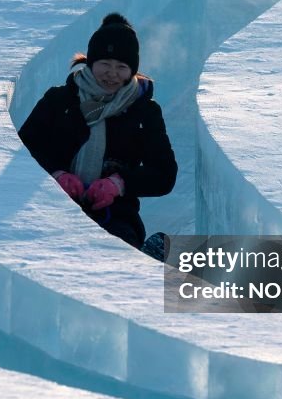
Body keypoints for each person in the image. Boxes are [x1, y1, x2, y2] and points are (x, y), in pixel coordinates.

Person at [19, 13, 177, 250]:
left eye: (121, 67)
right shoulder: (59, 100)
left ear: (132, 70)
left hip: (116, 215)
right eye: (105, 64)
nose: (112, 73)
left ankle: (146, 262)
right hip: (51, 207)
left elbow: (164, 174)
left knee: (114, 253)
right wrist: (56, 175)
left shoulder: (144, 111)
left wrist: (119, 183)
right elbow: (23, 151)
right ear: (90, 62)